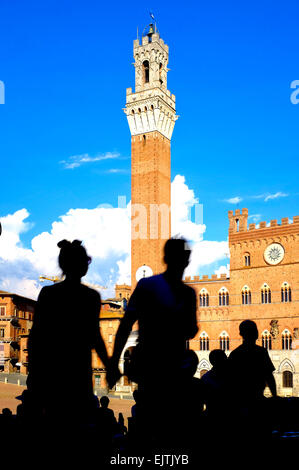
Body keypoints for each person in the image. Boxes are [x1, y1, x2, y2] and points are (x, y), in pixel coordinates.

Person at [107, 237, 198, 450]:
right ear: (186, 260)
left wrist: (113, 361)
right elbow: (191, 330)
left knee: (150, 431)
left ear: (165, 258)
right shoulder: (188, 294)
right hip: (174, 372)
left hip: (151, 370)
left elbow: (125, 325)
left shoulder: (147, 285)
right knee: (172, 433)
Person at [27, 240, 109, 434]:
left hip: (52, 376)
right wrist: (110, 364)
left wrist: (35, 374)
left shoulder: (48, 294)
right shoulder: (91, 297)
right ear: (84, 267)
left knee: (54, 431)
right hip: (79, 377)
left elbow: (36, 337)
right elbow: (95, 337)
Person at [228, 320, 277, 447]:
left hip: (240, 404)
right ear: (255, 334)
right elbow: (269, 377)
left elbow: (230, 382)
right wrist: (275, 396)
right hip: (257, 402)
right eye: (255, 330)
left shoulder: (235, 354)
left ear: (241, 334)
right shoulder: (261, 352)